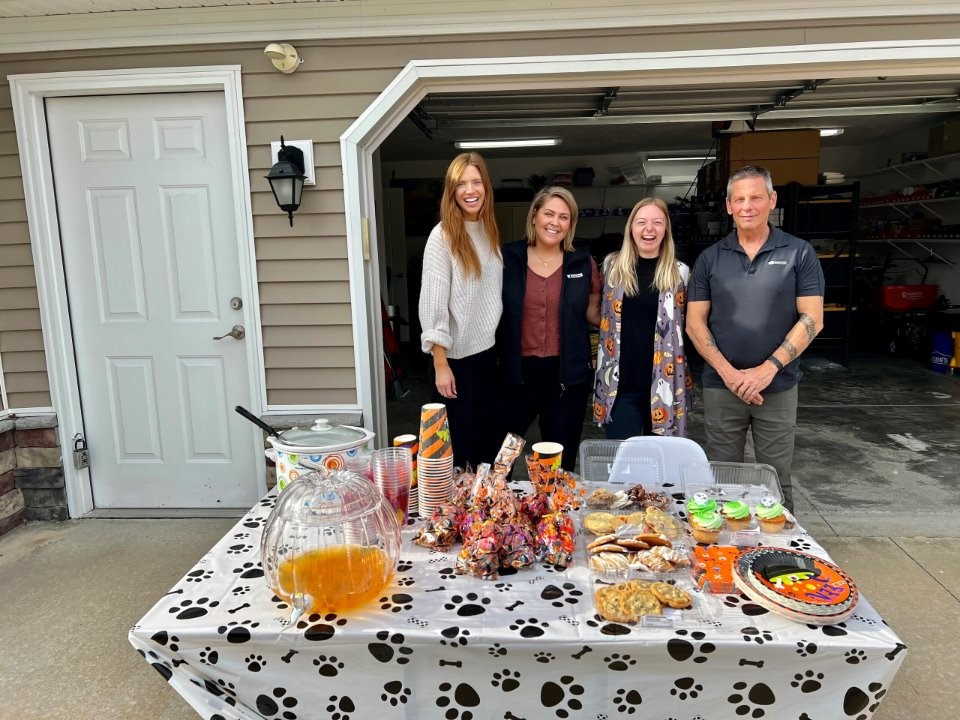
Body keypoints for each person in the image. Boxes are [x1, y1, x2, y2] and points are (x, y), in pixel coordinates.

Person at [686, 165, 825, 512]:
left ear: (772, 200)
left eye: (756, 197)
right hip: (722, 387)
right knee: (722, 478)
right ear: (729, 206)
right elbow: (694, 324)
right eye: (740, 199)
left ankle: (783, 555)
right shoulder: (710, 259)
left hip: (777, 386)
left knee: (775, 478)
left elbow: (813, 319)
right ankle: (727, 553)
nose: (748, 206)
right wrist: (730, 374)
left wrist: (768, 369)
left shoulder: (799, 253)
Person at [498, 186, 601, 471]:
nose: (555, 223)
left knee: (559, 456)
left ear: (571, 224)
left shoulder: (583, 262)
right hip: (516, 374)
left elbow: (594, 312)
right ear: (534, 216)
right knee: (501, 453)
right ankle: (495, 506)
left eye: (564, 217)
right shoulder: (507, 258)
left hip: (565, 376)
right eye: (549, 214)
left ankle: (554, 510)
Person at [418, 152, 503, 468]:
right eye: (461, 184)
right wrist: (440, 363)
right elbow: (433, 305)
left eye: (476, 182)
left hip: (484, 359)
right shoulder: (442, 237)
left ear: (486, 187)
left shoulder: (488, 231)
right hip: (453, 363)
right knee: (457, 456)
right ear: (452, 191)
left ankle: (485, 517)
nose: (470, 190)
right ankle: (456, 517)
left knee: (488, 452)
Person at [593, 197, 693, 438]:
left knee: (662, 465)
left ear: (666, 229)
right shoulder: (611, 267)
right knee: (622, 464)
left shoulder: (680, 273)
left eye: (657, 222)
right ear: (630, 228)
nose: (649, 229)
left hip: (666, 384)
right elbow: (599, 313)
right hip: (621, 386)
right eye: (641, 222)